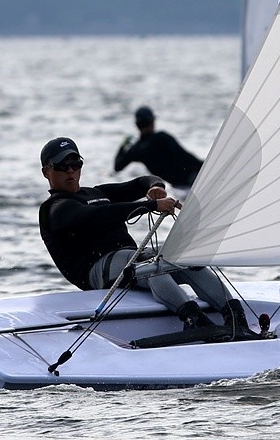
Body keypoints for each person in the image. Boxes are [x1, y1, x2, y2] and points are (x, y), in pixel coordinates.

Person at [37, 136, 257, 340]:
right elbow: (94, 216)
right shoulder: (53, 209)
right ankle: (194, 320)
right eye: (62, 166)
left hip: (130, 262)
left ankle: (235, 317)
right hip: (98, 273)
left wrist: (155, 188)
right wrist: (150, 206)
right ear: (46, 171)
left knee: (183, 258)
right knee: (148, 263)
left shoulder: (97, 192)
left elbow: (143, 181)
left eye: (76, 164)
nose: (71, 171)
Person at [114, 106, 202, 191]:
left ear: (137, 125)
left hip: (178, 188)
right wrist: (203, 165)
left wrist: (122, 146)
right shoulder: (162, 137)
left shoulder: (137, 150)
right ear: (152, 122)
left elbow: (117, 166)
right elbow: (183, 155)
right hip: (192, 178)